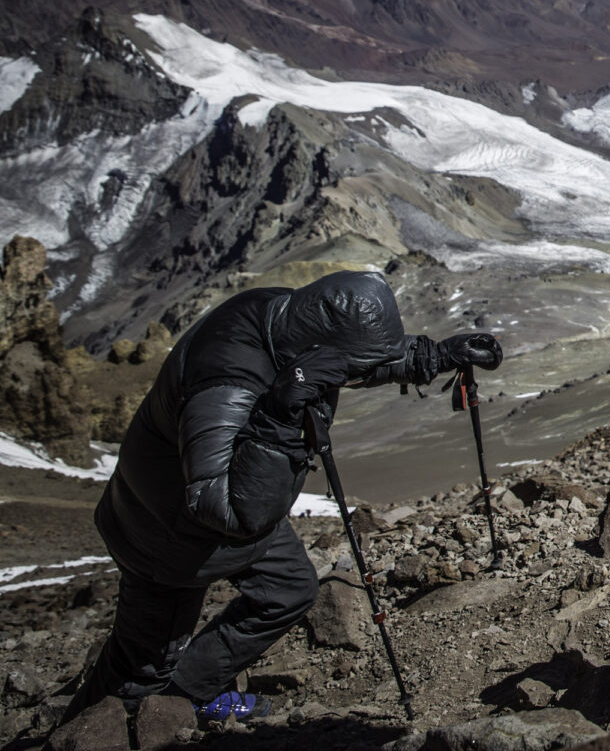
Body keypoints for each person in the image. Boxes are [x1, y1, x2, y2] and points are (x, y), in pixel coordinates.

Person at [62, 270, 503, 723]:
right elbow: (231, 512)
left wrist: (429, 355)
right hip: (169, 531)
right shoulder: (225, 385)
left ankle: (187, 695)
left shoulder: (283, 315)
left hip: (243, 496)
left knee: (287, 591)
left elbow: (342, 361)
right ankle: (89, 730)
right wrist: (277, 418)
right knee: (140, 669)